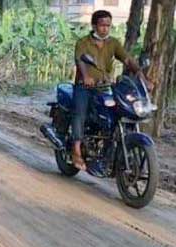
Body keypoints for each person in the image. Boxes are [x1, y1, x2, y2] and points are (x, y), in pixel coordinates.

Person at [72, 10, 151, 171]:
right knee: (79, 113)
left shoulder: (113, 43)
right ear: (94, 25)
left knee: (114, 113)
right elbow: (80, 59)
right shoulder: (83, 42)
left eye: (108, 25)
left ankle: (109, 147)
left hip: (104, 87)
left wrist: (141, 76)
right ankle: (76, 150)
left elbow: (127, 59)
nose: (105, 28)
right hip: (84, 86)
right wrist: (86, 76)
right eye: (102, 25)